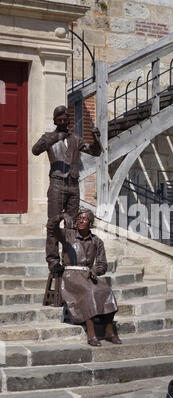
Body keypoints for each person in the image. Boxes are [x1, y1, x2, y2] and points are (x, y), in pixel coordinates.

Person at [32, 105, 103, 274]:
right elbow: (35, 150)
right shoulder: (49, 137)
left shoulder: (75, 139)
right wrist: (56, 137)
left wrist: (96, 139)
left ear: (69, 121)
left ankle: (68, 257)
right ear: (55, 121)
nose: (63, 122)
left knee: (71, 226)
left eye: (65, 120)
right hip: (57, 184)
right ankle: (53, 261)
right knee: (53, 224)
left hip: (73, 186)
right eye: (59, 120)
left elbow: (95, 152)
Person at [47, 209, 122, 347]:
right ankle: (91, 333)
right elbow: (51, 227)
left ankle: (109, 332)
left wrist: (95, 270)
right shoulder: (68, 235)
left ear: (90, 223)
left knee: (107, 291)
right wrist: (60, 216)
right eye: (79, 218)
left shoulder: (97, 241)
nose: (81, 221)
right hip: (70, 275)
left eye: (85, 219)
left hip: (88, 274)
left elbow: (102, 264)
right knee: (89, 292)